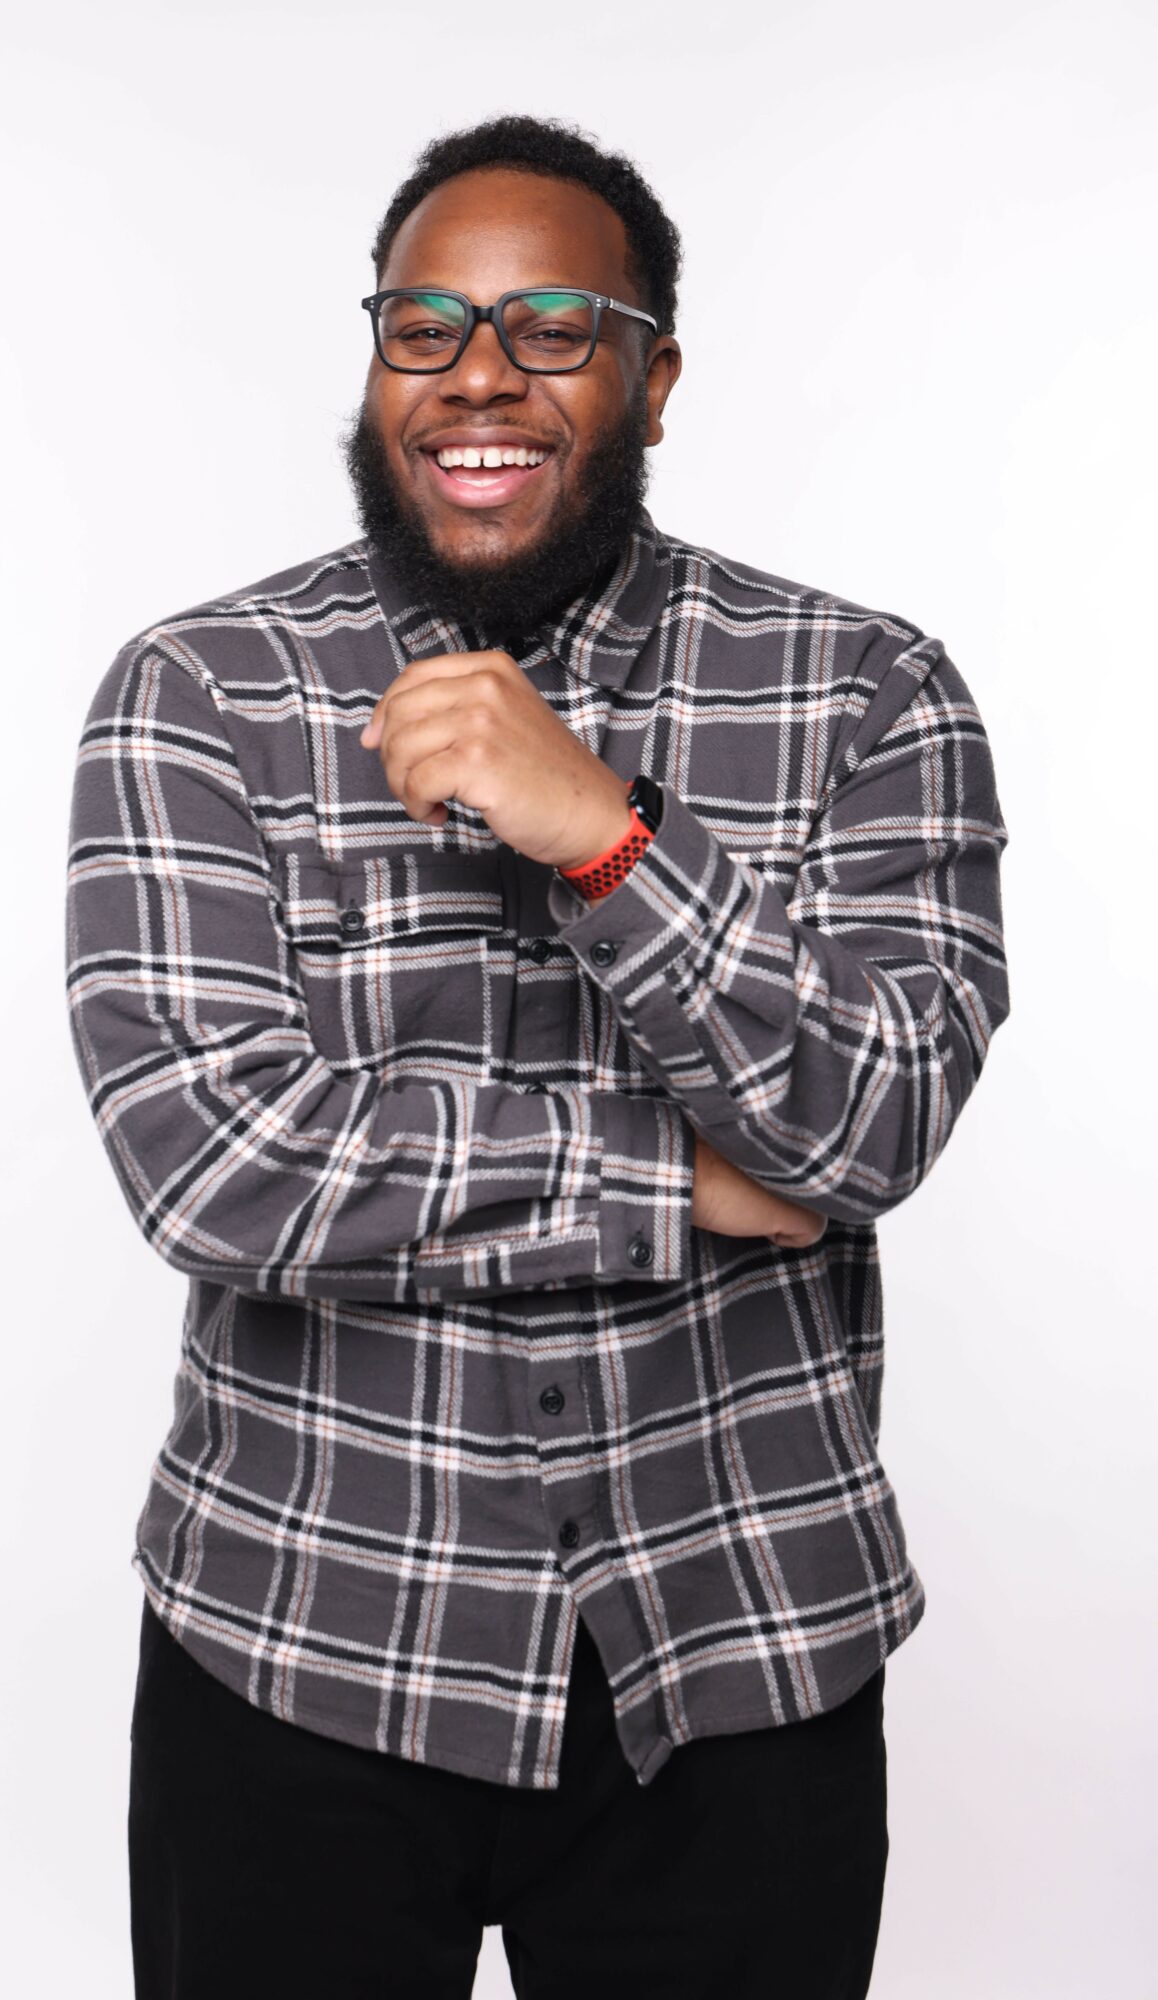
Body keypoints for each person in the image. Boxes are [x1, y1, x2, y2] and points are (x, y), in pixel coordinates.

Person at [65, 113, 1010, 1999]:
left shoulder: (866, 691)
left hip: (738, 1647)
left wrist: (605, 835)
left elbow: (879, 1114)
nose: (475, 371)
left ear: (655, 381)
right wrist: (676, 1181)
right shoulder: (201, 691)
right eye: (421, 326)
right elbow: (209, 1164)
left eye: (551, 325)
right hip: (303, 1640)